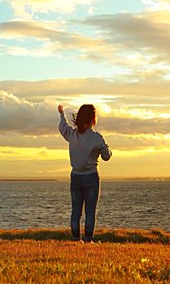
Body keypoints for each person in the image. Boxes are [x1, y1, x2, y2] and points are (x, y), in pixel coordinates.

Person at [58, 104, 112, 243]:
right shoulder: (97, 138)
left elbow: (63, 127)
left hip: (75, 176)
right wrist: (106, 149)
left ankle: (76, 238)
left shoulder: (73, 134)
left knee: (76, 211)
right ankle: (88, 240)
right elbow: (106, 156)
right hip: (91, 176)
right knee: (90, 211)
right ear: (93, 119)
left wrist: (61, 114)